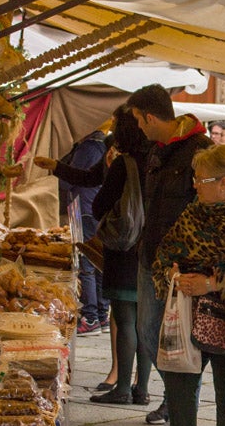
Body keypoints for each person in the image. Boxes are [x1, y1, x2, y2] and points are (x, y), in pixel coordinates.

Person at [150, 145, 225, 426]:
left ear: (223, 183)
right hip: (186, 312)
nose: (195, 185)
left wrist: (210, 282)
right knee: (179, 382)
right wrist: (175, 277)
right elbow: (164, 254)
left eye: (201, 179)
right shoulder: (191, 214)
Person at [128, 85, 212, 426]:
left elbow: (210, 209)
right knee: (147, 332)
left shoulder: (200, 150)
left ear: (149, 117)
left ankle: (181, 408)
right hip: (151, 256)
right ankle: (174, 395)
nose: (138, 128)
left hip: (183, 264)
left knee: (179, 340)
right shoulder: (155, 151)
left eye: (138, 121)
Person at [82, 107, 154, 405]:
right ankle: (143, 388)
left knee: (125, 319)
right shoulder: (157, 161)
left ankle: (123, 387)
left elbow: (99, 205)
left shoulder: (124, 164)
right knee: (144, 321)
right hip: (149, 249)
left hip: (125, 251)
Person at [35, 128, 109, 335]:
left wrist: (55, 169)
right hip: (92, 207)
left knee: (86, 262)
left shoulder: (88, 148)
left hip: (84, 208)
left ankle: (90, 316)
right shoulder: (101, 146)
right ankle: (101, 315)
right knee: (96, 260)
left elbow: (71, 180)